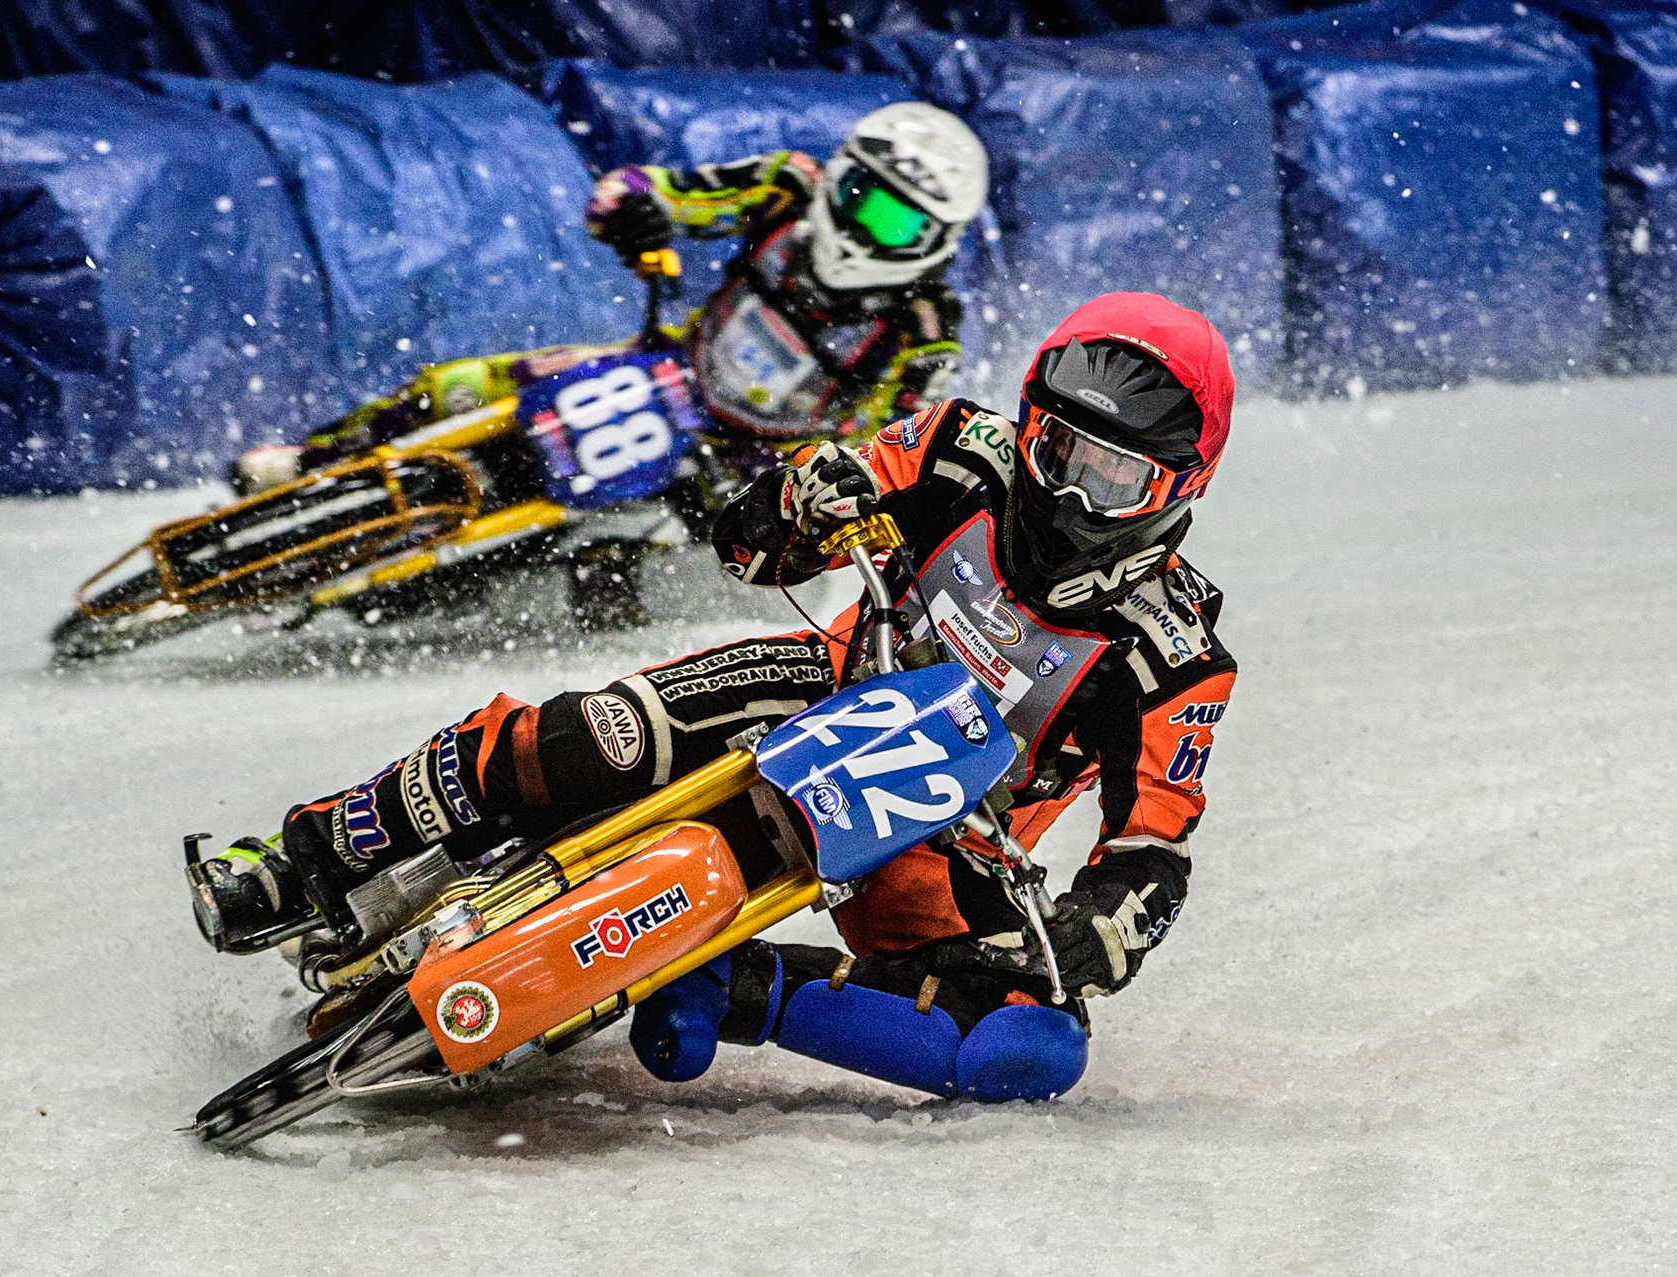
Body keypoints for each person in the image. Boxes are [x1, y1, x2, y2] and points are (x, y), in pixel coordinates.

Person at [195, 291, 1239, 1101]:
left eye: (1110, 478)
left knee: (1028, 1041)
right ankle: (304, 858)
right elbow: (749, 539)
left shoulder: (1177, 654)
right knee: (591, 739)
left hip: (945, 829)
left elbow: (1152, 845)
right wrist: (803, 494)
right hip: (818, 691)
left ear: (1182, 485)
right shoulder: (959, 449)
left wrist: (1095, 929)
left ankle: (731, 983)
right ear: (1028, 422)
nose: (1064, 491)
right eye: (1056, 447)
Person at [229, 102, 989, 493]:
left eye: (893, 217)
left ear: (934, 239)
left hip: (754, 462)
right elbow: (652, 189)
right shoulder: (790, 184)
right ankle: (314, 462)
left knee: (665, 535)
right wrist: (634, 208)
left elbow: (885, 449)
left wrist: (784, 474)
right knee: (457, 387)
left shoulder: (924, 331)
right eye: (859, 191)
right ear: (840, 169)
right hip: (665, 370)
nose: (860, 222)